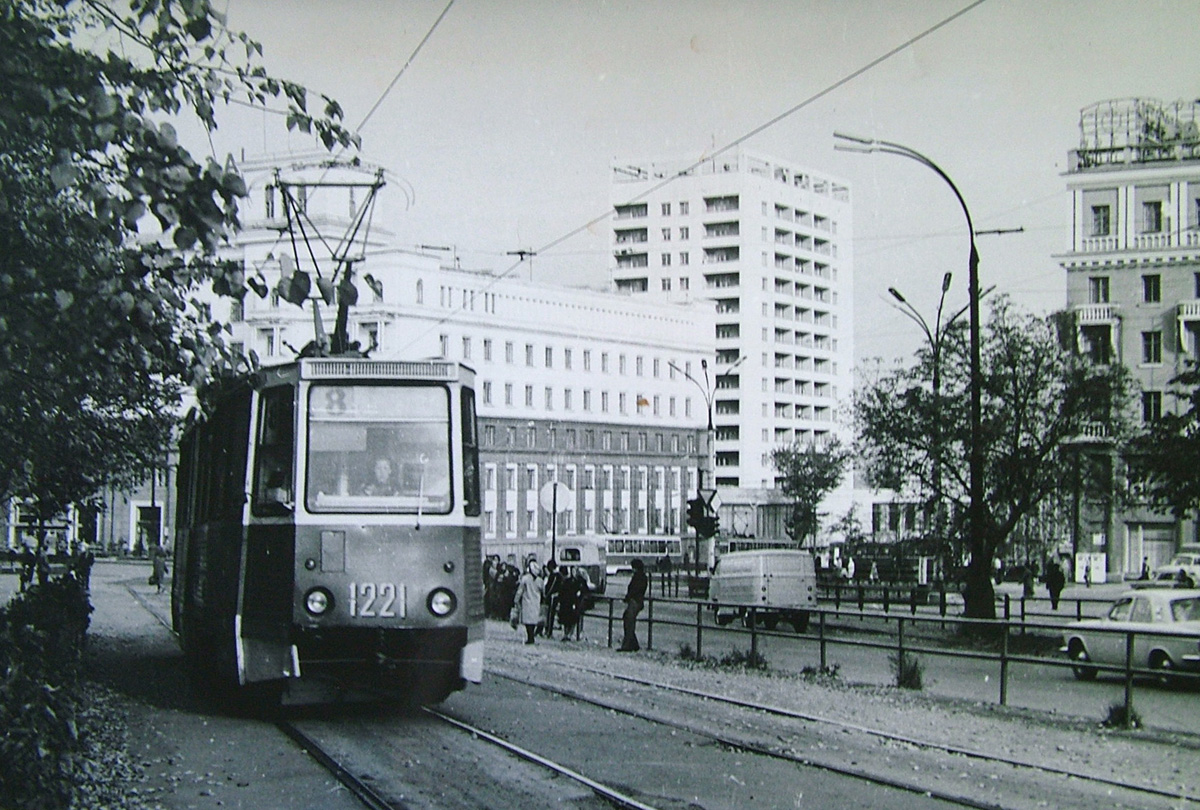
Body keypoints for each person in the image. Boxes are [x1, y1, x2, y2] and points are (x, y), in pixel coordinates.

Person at [618, 557, 648, 652]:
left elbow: (635, 589)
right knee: (628, 620)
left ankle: (628, 644)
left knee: (629, 620)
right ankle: (633, 643)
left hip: (635, 601)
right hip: (636, 601)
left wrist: (628, 596)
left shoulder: (638, 577)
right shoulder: (641, 577)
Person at [512, 558, 544, 644]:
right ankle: (531, 636)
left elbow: (520, 590)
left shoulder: (525, 579)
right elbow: (543, 591)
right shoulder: (540, 581)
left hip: (527, 602)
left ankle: (530, 637)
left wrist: (516, 600)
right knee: (533, 620)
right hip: (536, 602)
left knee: (527, 621)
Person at [541, 560, 563, 637]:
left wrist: (547, 595)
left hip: (552, 597)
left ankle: (549, 631)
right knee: (550, 614)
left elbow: (550, 587)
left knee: (550, 614)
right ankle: (548, 630)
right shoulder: (558, 575)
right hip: (554, 596)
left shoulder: (555, 576)